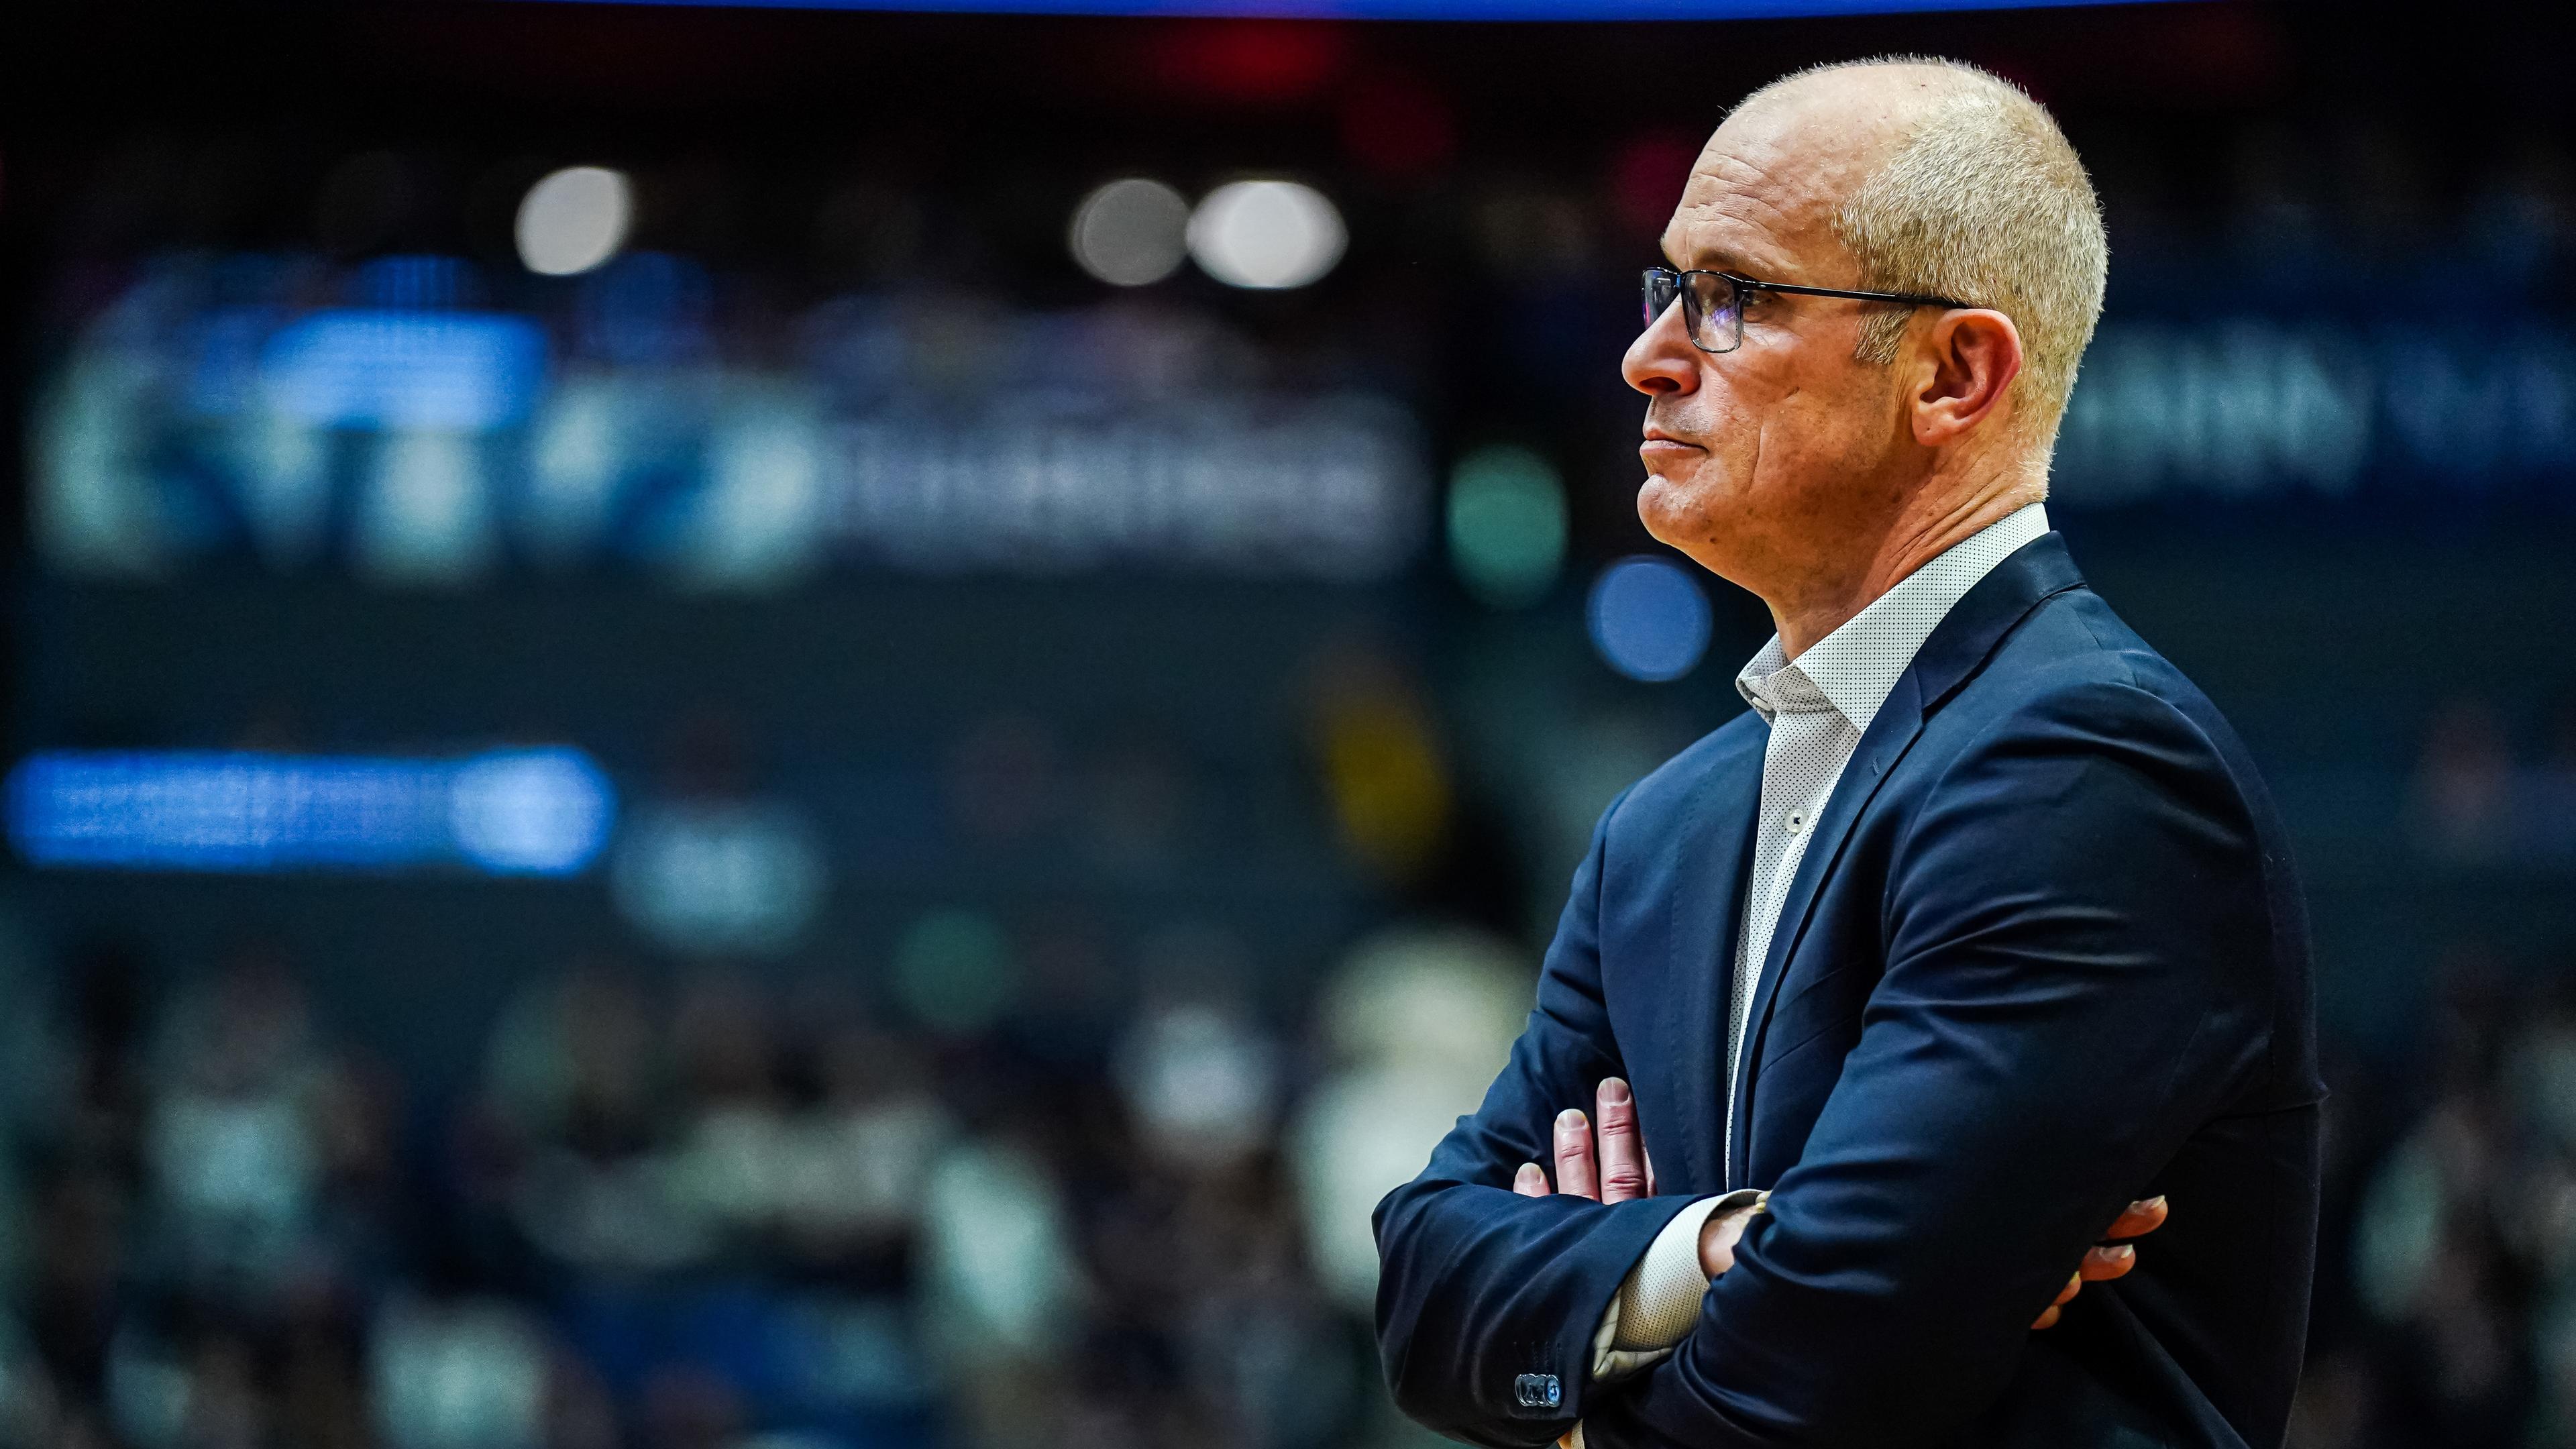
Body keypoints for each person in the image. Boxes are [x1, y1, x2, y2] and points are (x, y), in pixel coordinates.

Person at [1372, 56, 2321, 1449]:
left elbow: (1820, 1387)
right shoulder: (1667, 827)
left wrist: (1589, 1374)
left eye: (1738, 296)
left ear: (1954, 374)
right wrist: (1715, 1251)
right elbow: (1422, 1293)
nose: (1651, 353)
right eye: (1669, 288)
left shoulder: (2094, 768)